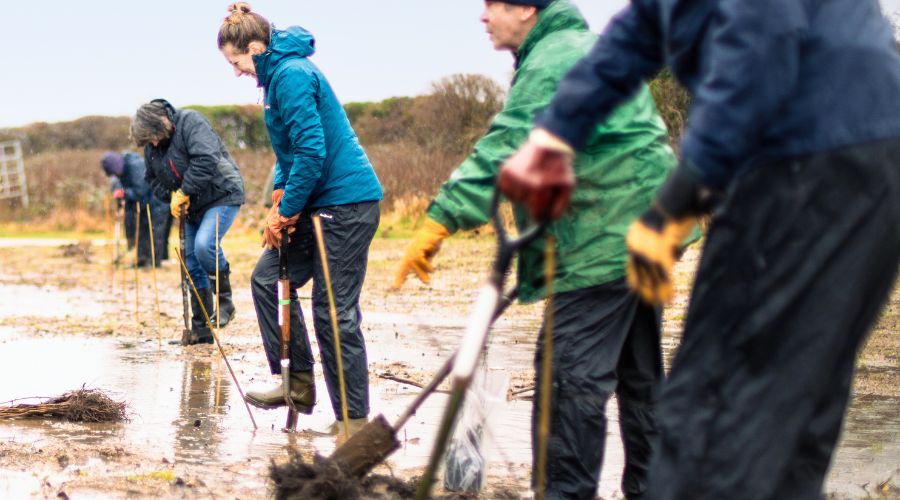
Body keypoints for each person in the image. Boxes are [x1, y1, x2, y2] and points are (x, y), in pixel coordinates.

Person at [498, 1, 900, 498]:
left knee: (712, 400)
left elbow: (761, 42)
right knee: (795, 400)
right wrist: (551, 135)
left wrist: (680, 197)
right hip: (872, 151)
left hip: (807, 158)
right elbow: (629, 42)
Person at [393, 1, 696, 497]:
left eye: (493, 5)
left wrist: (440, 219)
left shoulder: (554, 56)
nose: (483, 17)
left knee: (568, 382)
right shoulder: (578, 46)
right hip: (646, 228)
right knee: (640, 381)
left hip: (606, 236)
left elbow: (510, 144)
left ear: (527, 9)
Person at [217, 3, 383, 433]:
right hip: (314, 203)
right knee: (265, 278)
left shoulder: (290, 75)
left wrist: (286, 211)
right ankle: (298, 380)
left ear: (255, 47)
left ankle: (354, 422)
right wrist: (279, 196)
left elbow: (313, 152)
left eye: (236, 62)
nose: (236, 72)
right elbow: (290, 153)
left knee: (333, 312)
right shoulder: (273, 80)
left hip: (347, 205)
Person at [131, 99, 246, 343]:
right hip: (192, 206)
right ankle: (201, 328)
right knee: (190, 262)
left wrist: (184, 190)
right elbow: (151, 178)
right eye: (148, 142)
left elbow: (206, 159)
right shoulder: (153, 145)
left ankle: (225, 302)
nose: (152, 143)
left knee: (205, 246)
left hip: (221, 194)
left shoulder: (190, 122)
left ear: (160, 123)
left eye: (152, 137)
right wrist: (171, 195)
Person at [101, 151, 172, 268]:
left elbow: (141, 190)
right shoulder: (122, 171)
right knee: (141, 230)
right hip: (144, 204)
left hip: (158, 201)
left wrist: (124, 193)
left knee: (155, 232)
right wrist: (121, 205)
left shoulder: (135, 166)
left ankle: (154, 262)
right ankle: (142, 259)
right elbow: (127, 190)